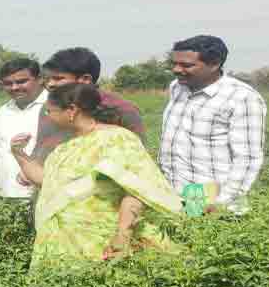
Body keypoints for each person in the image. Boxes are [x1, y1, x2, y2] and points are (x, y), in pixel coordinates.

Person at [11, 83, 181, 268]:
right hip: (64, 246)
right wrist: (19, 153)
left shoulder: (116, 139)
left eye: (49, 111)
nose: (47, 117)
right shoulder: (66, 146)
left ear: (72, 110)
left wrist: (122, 235)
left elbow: (136, 192)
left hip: (104, 241)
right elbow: (47, 181)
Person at [159, 34, 267, 214]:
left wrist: (222, 203)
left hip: (213, 198)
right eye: (175, 63)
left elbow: (248, 158)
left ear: (214, 64)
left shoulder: (241, 97)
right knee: (181, 238)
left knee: (205, 240)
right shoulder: (177, 88)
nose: (177, 69)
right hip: (177, 192)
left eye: (187, 65)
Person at [30, 47, 145, 163]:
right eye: (47, 79)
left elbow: (138, 159)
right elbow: (42, 145)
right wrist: (32, 166)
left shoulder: (123, 110)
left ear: (85, 79)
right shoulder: (50, 107)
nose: (50, 84)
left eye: (58, 78)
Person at [0, 58, 47, 199]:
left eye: (22, 81)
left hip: (43, 195)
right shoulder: (3, 111)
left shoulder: (56, 107)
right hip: (6, 194)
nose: (14, 87)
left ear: (40, 79)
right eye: (8, 83)